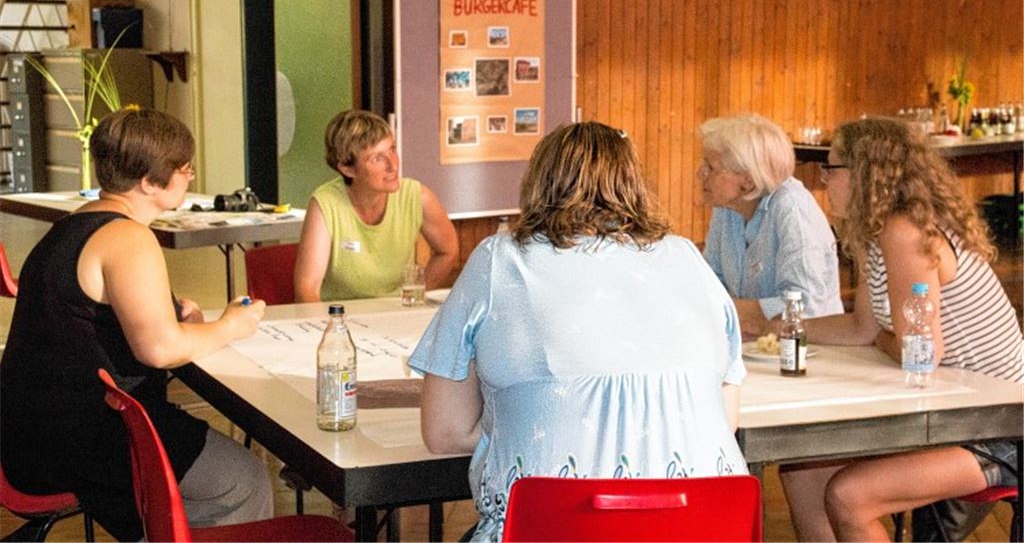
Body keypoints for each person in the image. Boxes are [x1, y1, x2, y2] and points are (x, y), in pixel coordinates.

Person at [408, 122, 749, 541]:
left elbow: (444, 434)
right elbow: (724, 416)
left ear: (537, 182)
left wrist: (540, 417)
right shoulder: (687, 259)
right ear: (634, 185)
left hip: (554, 530)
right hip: (700, 531)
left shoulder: (501, 259)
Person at [0, 108, 273, 541]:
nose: (190, 174)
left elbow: (102, 323)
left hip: (30, 431)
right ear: (149, 181)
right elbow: (158, 350)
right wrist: (231, 326)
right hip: (84, 437)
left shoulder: (73, 225)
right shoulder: (129, 237)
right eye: (183, 167)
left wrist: (180, 322)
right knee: (242, 480)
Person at [779, 117, 1022, 541]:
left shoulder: (904, 231)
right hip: (956, 413)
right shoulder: (879, 231)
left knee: (850, 495)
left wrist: (888, 339)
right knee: (803, 475)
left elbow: (922, 355)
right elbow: (861, 329)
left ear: (865, 174)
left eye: (831, 169)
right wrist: (781, 326)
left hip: (1000, 424)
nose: (823, 181)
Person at [699, 114, 843, 335]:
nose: (699, 174)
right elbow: (710, 283)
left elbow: (806, 306)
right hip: (755, 347)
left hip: (810, 352)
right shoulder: (727, 208)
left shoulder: (792, 209)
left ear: (747, 180)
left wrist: (729, 308)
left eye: (710, 167)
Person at [294, 109, 458, 302]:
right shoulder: (325, 204)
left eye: (392, 149)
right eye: (377, 158)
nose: (393, 165)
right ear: (347, 169)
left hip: (396, 316)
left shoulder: (418, 196)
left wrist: (415, 295)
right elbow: (307, 289)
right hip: (342, 318)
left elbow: (448, 251)